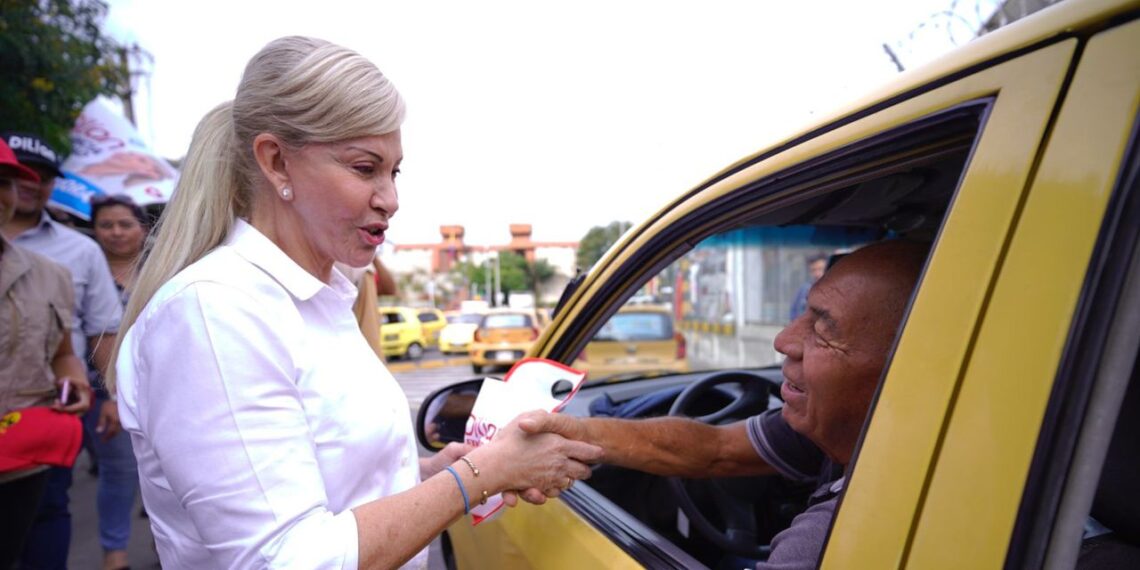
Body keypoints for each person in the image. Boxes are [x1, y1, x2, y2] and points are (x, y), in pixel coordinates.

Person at [106, 36, 602, 569]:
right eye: (365, 168)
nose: (390, 199)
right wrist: (481, 475)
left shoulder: (318, 301)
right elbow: (282, 558)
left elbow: (331, 486)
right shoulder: (214, 313)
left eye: (394, 172)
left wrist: (429, 476)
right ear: (276, 163)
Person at [523, 240, 930, 569]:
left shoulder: (828, 540)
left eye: (823, 330)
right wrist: (577, 433)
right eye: (804, 313)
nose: (784, 341)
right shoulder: (843, 431)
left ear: (904, 366)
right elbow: (715, 449)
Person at [1, 131, 123, 569]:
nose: (24, 185)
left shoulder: (58, 266)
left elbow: (82, 341)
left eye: (8, 181)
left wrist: (93, 388)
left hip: (34, 437)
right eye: (14, 177)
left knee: (46, 521)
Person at [88, 195, 149, 570]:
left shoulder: (165, 267)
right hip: (105, 391)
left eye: (125, 224)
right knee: (119, 470)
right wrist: (111, 392)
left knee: (169, 470)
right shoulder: (84, 269)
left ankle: (167, 546)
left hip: (160, 387)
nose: (116, 232)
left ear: (143, 228)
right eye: (106, 225)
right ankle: (115, 554)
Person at [788, 254, 828, 321]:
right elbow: (794, 313)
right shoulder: (803, 290)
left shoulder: (835, 291)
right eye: (813, 270)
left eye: (820, 269)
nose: (817, 274)